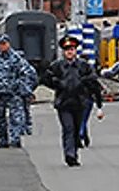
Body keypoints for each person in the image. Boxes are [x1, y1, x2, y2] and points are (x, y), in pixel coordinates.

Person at [42, 35, 104, 166]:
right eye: (67, 49)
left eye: (72, 49)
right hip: (64, 102)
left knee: (76, 129)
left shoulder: (83, 65)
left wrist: (84, 83)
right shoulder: (57, 66)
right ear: (63, 52)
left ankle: (74, 153)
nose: (70, 52)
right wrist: (57, 83)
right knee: (68, 128)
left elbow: (93, 78)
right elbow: (46, 78)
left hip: (79, 102)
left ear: (76, 50)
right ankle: (69, 154)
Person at [0, 35, 37, 148]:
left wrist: (22, 87)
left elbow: (29, 73)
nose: (2, 46)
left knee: (15, 117)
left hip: (13, 93)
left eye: (4, 43)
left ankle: (15, 139)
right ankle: (3, 140)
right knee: (1, 118)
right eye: (1, 44)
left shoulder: (16, 58)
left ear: (9, 44)